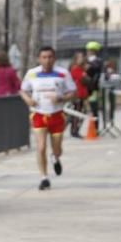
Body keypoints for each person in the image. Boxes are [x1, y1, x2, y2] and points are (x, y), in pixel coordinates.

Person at [19, 46, 77, 190]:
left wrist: (61, 98)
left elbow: (73, 92)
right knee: (41, 147)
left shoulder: (62, 73)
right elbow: (22, 90)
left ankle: (55, 158)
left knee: (57, 148)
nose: (47, 60)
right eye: (44, 57)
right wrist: (28, 100)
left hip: (57, 114)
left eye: (50, 57)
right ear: (39, 59)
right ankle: (44, 177)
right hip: (38, 114)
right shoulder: (32, 74)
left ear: (54, 58)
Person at [85, 41, 104, 131]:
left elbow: (96, 73)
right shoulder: (86, 60)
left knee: (94, 108)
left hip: (93, 89)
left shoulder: (97, 62)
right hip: (84, 88)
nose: (88, 52)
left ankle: (95, 128)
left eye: (90, 50)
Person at [68, 51, 87, 138]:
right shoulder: (75, 69)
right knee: (77, 112)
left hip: (82, 93)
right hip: (77, 94)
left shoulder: (81, 69)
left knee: (81, 112)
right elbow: (83, 79)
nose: (82, 59)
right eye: (80, 58)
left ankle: (75, 129)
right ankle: (74, 130)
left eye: (82, 57)